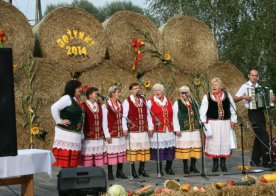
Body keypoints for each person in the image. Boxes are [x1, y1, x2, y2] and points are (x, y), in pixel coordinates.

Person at [234, 68, 275, 167]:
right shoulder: (245, 86)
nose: (254, 77)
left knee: (259, 137)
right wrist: (244, 97)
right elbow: (234, 98)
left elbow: (268, 103)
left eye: (256, 75)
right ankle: (266, 161)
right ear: (249, 76)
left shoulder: (260, 87)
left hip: (260, 112)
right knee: (264, 136)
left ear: (258, 77)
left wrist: (272, 99)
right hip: (252, 113)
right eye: (252, 75)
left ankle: (254, 160)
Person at [199, 78, 237, 172]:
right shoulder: (207, 97)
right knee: (214, 143)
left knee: (224, 142)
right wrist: (203, 123)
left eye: (215, 85)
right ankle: (215, 164)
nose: (213, 87)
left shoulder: (227, 96)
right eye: (212, 85)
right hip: (213, 123)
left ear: (220, 86)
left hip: (225, 124)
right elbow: (202, 111)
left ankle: (223, 164)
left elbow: (233, 108)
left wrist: (233, 120)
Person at [122, 83, 153, 178]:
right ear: (131, 90)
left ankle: (142, 169)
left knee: (143, 150)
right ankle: (133, 170)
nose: (137, 90)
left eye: (138, 88)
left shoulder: (144, 100)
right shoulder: (127, 101)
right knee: (134, 152)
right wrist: (124, 128)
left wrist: (150, 126)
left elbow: (148, 114)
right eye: (135, 88)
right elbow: (124, 116)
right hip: (133, 131)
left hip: (143, 130)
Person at [51, 80, 84, 168]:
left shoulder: (76, 100)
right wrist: (59, 120)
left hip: (74, 134)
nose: (81, 89)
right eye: (78, 88)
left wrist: (81, 133)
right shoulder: (67, 98)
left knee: (73, 163)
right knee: (66, 163)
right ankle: (66, 178)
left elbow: (80, 119)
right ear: (73, 89)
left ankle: (70, 177)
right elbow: (54, 107)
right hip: (66, 133)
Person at [147, 83, 175, 175]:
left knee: (170, 149)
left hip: (169, 130)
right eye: (155, 90)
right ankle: (159, 169)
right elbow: (148, 116)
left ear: (163, 91)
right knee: (159, 150)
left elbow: (173, 115)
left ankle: (168, 167)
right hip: (158, 130)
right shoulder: (150, 102)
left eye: (159, 90)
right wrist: (150, 127)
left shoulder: (169, 101)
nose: (157, 92)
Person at [173, 86, 201, 174]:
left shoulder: (194, 101)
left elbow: (198, 113)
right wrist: (177, 129)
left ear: (189, 93)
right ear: (179, 93)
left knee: (194, 148)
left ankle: (193, 166)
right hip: (184, 130)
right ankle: (185, 167)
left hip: (195, 129)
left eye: (186, 92)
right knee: (185, 148)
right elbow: (174, 117)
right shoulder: (177, 103)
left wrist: (200, 123)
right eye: (182, 93)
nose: (184, 94)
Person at [102, 85, 127, 180]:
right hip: (111, 133)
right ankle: (110, 173)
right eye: (118, 92)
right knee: (111, 153)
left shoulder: (120, 104)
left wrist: (124, 128)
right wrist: (107, 134)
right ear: (112, 93)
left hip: (119, 133)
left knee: (120, 153)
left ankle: (119, 171)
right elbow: (104, 121)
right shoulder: (105, 105)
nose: (119, 94)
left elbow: (123, 118)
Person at [81, 87, 107, 167]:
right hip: (88, 138)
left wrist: (105, 133)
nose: (97, 95)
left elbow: (104, 121)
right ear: (89, 95)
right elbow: (81, 122)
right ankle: (89, 175)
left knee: (97, 160)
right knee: (89, 161)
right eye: (95, 93)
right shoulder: (83, 105)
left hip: (99, 137)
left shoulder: (100, 105)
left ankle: (96, 175)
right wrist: (81, 134)